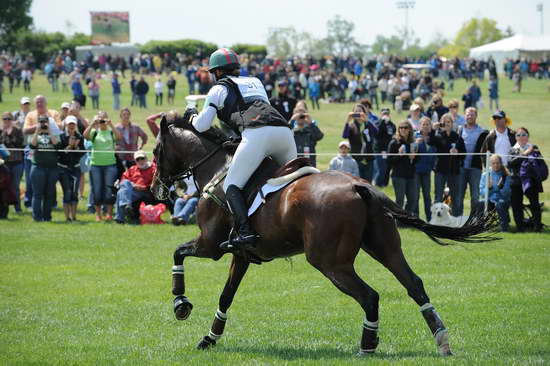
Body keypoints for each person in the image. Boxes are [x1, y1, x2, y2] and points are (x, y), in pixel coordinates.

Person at [191, 48, 296, 251]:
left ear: (217, 72)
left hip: (257, 134)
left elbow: (202, 125)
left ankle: (245, 232)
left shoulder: (217, 89)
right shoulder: (255, 82)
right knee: (295, 180)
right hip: (284, 132)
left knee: (231, 184)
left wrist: (191, 116)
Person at [23, 95, 62, 209]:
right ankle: (30, 202)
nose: (39, 104)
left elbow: (60, 127)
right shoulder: (31, 114)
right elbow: (25, 130)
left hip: (51, 152)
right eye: (37, 102)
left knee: (50, 184)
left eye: (41, 102)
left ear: (46, 102)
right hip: (34, 151)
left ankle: (51, 204)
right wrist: (39, 126)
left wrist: (49, 124)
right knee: (32, 180)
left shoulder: (53, 113)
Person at [83, 111, 122, 221]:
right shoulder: (95, 132)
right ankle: (98, 214)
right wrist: (91, 124)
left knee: (109, 189)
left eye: (104, 119)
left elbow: (119, 137)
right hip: (96, 165)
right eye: (100, 119)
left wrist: (111, 125)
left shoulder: (110, 132)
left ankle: (109, 213)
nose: (102, 121)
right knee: (97, 190)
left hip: (110, 165)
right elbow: (85, 136)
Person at [508, 127, 545, 232]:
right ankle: (520, 227)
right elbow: (510, 163)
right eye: (518, 135)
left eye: (524, 134)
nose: (521, 137)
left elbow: (539, 162)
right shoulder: (512, 149)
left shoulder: (534, 147)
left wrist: (528, 153)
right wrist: (525, 154)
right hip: (516, 181)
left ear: (528, 136)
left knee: (534, 204)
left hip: (531, 181)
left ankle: (537, 226)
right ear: (515, 137)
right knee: (516, 205)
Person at [429, 113, 466, 216]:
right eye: (444, 122)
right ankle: (436, 220)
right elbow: (430, 142)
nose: (446, 124)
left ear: (452, 123)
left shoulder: (457, 137)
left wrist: (457, 153)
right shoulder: (438, 135)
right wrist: (433, 129)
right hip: (440, 170)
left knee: (456, 197)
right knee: (438, 196)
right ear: (441, 123)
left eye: (448, 122)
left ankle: (456, 220)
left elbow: (464, 155)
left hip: (454, 171)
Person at [457, 107, 488, 216]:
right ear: (464, 116)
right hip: (461, 168)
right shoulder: (459, 130)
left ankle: (473, 220)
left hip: (475, 168)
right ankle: (458, 221)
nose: (470, 116)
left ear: (476, 116)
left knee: (475, 196)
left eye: (472, 114)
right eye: (468, 114)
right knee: (459, 196)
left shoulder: (482, 131)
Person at [29, 115, 61, 222]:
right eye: (41, 122)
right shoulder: (35, 134)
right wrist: (37, 131)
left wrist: (50, 131)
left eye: (45, 122)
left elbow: (57, 145)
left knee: (49, 194)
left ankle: (47, 217)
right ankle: (37, 217)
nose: (43, 124)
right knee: (37, 194)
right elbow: (32, 146)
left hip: (52, 168)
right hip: (38, 167)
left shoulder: (55, 133)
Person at [115, 150, 156, 224]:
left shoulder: (153, 168)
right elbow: (123, 180)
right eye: (138, 159)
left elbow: (155, 183)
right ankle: (127, 205)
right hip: (133, 191)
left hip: (146, 191)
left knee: (120, 193)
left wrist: (143, 187)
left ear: (146, 159)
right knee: (124, 185)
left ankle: (120, 217)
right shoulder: (132, 169)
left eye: (142, 158)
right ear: (135, 161)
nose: (140, 161)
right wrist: (133, 185)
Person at [387, 121, 419, 215]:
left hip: (411, 175)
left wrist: (414, 157)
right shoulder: (394, 142)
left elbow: (417, 160)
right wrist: (399, 155)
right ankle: (397, 221)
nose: (403, 130)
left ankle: (406, 221)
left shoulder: (413, 143)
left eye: (405, 128)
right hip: (398, 175)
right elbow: (389, 161)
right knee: (399, 200)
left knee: (413, 199)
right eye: (401, 127)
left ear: (409, 130)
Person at [57, 116, 85, 221]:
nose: (71, 126)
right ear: (66, 125)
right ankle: (67, 217)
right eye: (69, 124)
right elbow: (59, 154)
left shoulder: (80, 137)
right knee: (67, 191)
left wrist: (76, 148)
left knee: (74, 192)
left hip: (75, 168)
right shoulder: (61, 136)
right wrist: (69, 147)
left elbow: (82, 153)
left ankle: (74, 217)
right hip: (63, 168)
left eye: (73, 124)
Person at [342, 104, 377, 181]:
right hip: (356, 159)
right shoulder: (351, 126)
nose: (358, 113)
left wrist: (367, 120)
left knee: (368, 182)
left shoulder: (368, 124)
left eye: (360, 111)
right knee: (357, 182)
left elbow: (376, 132)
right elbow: (344, 136)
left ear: (364, 113)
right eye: (356, 112)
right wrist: (347, 121)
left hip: (369, 158)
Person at [479, 154, 511, 232]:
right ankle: (480, 226)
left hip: (503, 200)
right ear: (490, 164)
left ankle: (504, 227)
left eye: (497, 163)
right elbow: (482, 192)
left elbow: (507, 193)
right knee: (480, 203)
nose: (496, 165)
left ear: (501, 163)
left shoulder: (506, 175)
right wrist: (490, 188)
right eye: (493, 163)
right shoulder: (485, 175)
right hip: (490, 199)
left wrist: (500, 187)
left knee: (499, 204)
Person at [0, 112, 25, 213]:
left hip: (17, 162)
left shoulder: (18, 130)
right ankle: (4, 208)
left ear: (12, 120)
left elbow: (19, 143)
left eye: (9, 119)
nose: (7, 121)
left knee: (15, 186)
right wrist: (4, 133)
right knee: (3, 187)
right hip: (4, 163)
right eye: (4, 119)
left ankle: (17, 208)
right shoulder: (1, 131)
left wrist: (10, 133)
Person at [413, 117, 436, 221]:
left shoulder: (433, 137)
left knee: (427, 196)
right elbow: (410, 151)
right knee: (416, 195)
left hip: (427, 171)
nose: (426, 126)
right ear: (419, 126)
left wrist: (432, 167)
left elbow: (435, 154)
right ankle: (416, 218)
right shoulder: (414, 136)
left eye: (428, 124)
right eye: (424, 124)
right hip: (416, 171)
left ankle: (429, 218)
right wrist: (415, 144)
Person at [374, 108, 396, 187]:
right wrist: (382, 122)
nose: (385, 115)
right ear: (381, 114)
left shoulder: (392, 125)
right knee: (381, 169)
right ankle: (377, 183)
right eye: (384, 114)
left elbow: (393, 134)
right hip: (379, 150)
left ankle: (384, 184)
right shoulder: (377, 123)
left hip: (388, 150)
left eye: (387, 114)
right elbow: (377, 134)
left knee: (387, 169)